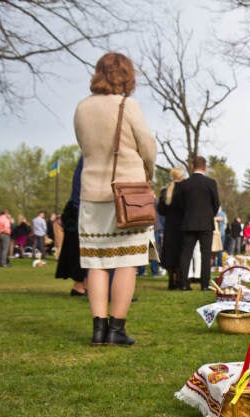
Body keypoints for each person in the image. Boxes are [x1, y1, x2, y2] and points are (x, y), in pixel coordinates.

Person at [74, 52, 156, 346]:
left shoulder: (82, 107)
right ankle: (117, 329)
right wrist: (147, 170)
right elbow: (146, 144)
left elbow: (84, 145)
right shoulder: (128, 105)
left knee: (95, 261)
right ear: (127, 76)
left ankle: (99, 328)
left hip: (92, 191)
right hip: (128, 192)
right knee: (128, 260)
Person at [174, 156, 219, 291]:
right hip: (206, 222)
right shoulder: (211, 183)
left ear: (192, 166)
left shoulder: (184, 184)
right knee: (205, 254)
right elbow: (216, 203)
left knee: (186, 253)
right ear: (205, 167)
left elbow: (180, 204)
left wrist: (187, 213)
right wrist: (210, 215)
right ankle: (204, 284)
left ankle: (183, 283)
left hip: (189, 222)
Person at [55, 157, 87, 296]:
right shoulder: (88, 158)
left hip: (79, 209)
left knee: (79, 249)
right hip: (81, 210)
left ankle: (82, 284)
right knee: (80, 250)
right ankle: (80, 284)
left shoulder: (85, 158)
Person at [157, 167, 184, 290]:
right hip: (182, 226)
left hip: (169, 226)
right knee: (180, 253)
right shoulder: (185, 191)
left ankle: (170, 280)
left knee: (169, 253)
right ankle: (179, 280)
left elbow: (161, 211)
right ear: (181, 176)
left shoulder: (165, 191)